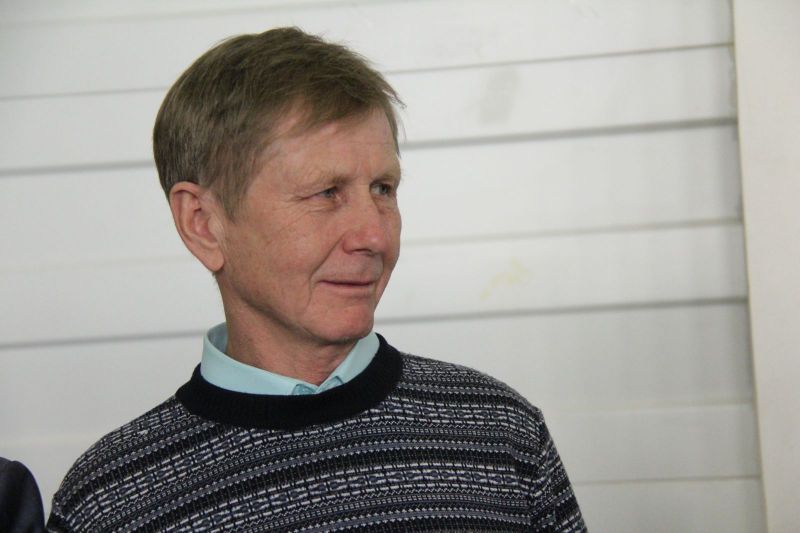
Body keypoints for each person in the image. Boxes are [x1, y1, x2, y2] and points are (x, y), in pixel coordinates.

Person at [47, 27, 585, 531]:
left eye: (382, 189)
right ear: (203, 223)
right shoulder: (110, 505)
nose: (373, 236)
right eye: (326, 193)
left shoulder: (502, 436)